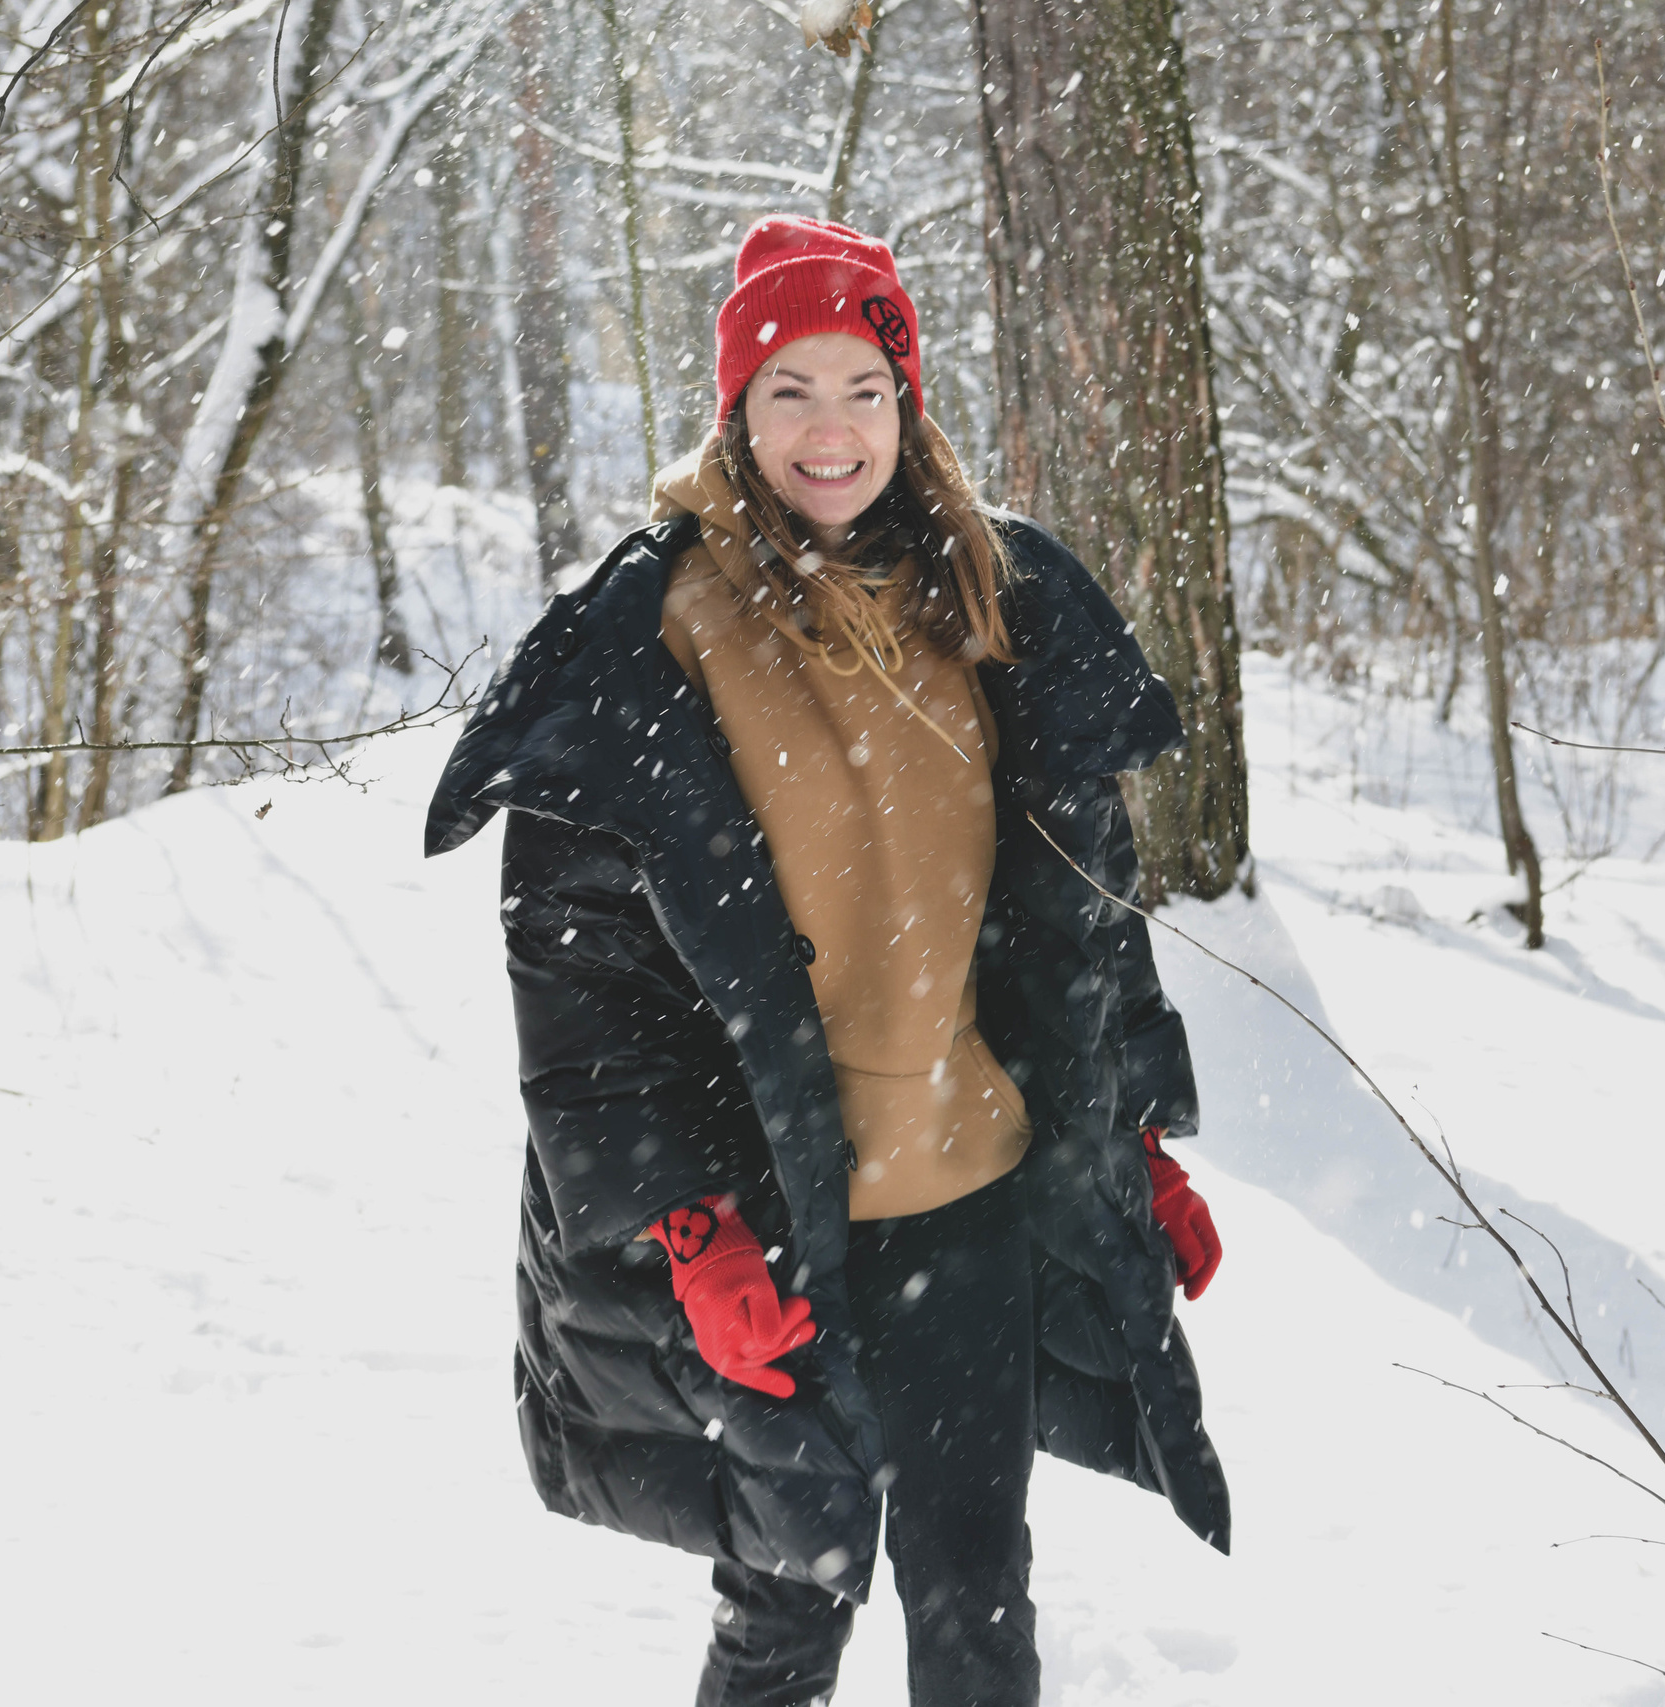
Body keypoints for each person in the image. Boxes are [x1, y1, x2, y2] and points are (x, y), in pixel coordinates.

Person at [424, 215, 1230, 1707]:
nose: (831, 428)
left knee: (978, 1595)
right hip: (778, 1216)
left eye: (863, 386)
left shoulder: (995, 604)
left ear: (906, 406)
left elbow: (1080, 922)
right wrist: (690, 1230)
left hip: (964, 1192)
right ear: (736, 407)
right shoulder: (650, 640)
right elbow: (585, 985)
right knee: (791, 1594)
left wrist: (1132, 1136)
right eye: (790, 387)